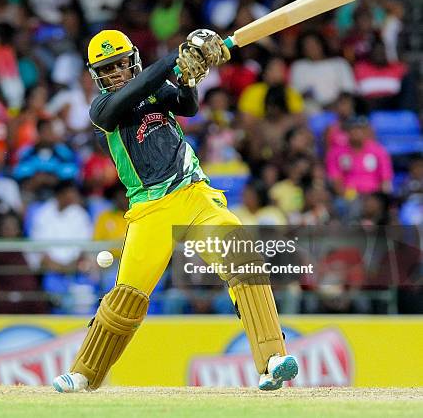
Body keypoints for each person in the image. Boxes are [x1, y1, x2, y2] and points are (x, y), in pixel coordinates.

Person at [52, 29, 297, 393]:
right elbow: (134, 91)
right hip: (150, 209)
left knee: (243, 259)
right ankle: (84, 374)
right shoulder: (101, 109)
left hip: (194, 195)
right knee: (126, 299)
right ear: (96, 75)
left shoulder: (153, 87)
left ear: (132, 58)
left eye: (121, 63)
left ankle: (272, 361)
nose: (118, 72)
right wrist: (175, 56)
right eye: (108, 68)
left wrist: (189, 76)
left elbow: (187, 106)